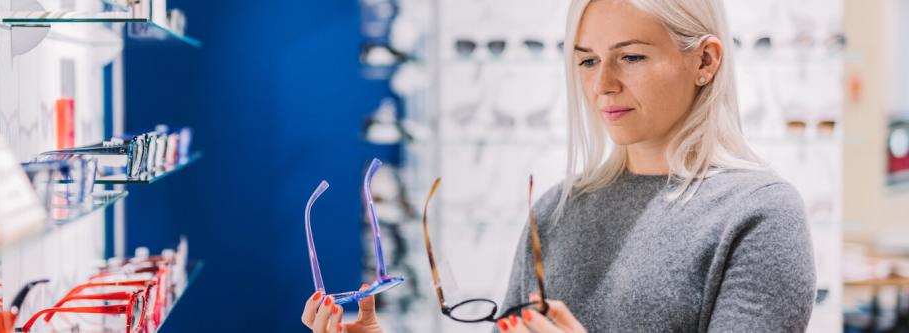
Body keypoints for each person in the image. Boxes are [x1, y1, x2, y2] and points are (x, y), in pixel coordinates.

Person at [300, 0, 816, 332]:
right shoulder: (556, 210)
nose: (602, 83)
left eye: (630, 57)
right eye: (587, 60)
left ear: (705, 61)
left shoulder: (760, 215)